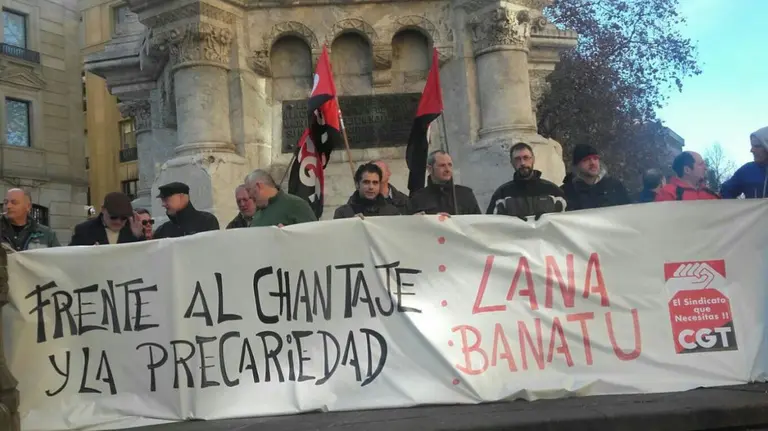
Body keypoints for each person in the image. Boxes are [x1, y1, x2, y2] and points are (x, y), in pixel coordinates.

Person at [486, 142, 566, 218]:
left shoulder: (552, 191)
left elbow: (568, 222)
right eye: (517, 159)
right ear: (512, 163)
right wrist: (513, 222)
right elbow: (491, 225)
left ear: (533, 159)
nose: (523, 163)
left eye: (526, 157)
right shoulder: (502, 194)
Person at [408, 150, 481, 215]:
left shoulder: (465, 194)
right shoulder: (418, 198)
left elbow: (477, 224)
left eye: (450, 165)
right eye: (442, 165)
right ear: (430, 169)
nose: (447, 169)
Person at [562, 144, 631, 211]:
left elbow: (627, 214)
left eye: (595, 158)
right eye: (586, 160)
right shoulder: (566, 192)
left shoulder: (615, 186)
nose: (592, 163)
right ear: (577, 165)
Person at [244, 169, 317, 227]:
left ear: (259, 186)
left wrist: (288, 236)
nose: (249, 196)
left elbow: (313, 237)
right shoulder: (257, 214)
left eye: (249, 190)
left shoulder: (297, 205)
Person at [70, 191, 144, 245]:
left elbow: (145, 257)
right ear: (103, 209)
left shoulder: (132, 230)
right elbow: (69, 257)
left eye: (123, 218)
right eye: (113, 217)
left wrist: (138, 237)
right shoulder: (84, 230)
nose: (118, 221)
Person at [154, 182, 220, 239]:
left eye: (166, 199)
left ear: (181, 197)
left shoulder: (207, 221)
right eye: (162, 200)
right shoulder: (162, 231)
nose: (163, 204)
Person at [334, 163, 400, 219]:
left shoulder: (392, 213)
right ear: (357, 184)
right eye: (366, 182)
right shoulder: (342, 213)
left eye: (375, 183)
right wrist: (351, 224)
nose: (371, 187)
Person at [720, 126, 768, 199]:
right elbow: (725, 191)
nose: (752, 150)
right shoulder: (747, 171)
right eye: (752, 146)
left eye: (757, 146)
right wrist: (737, 209)